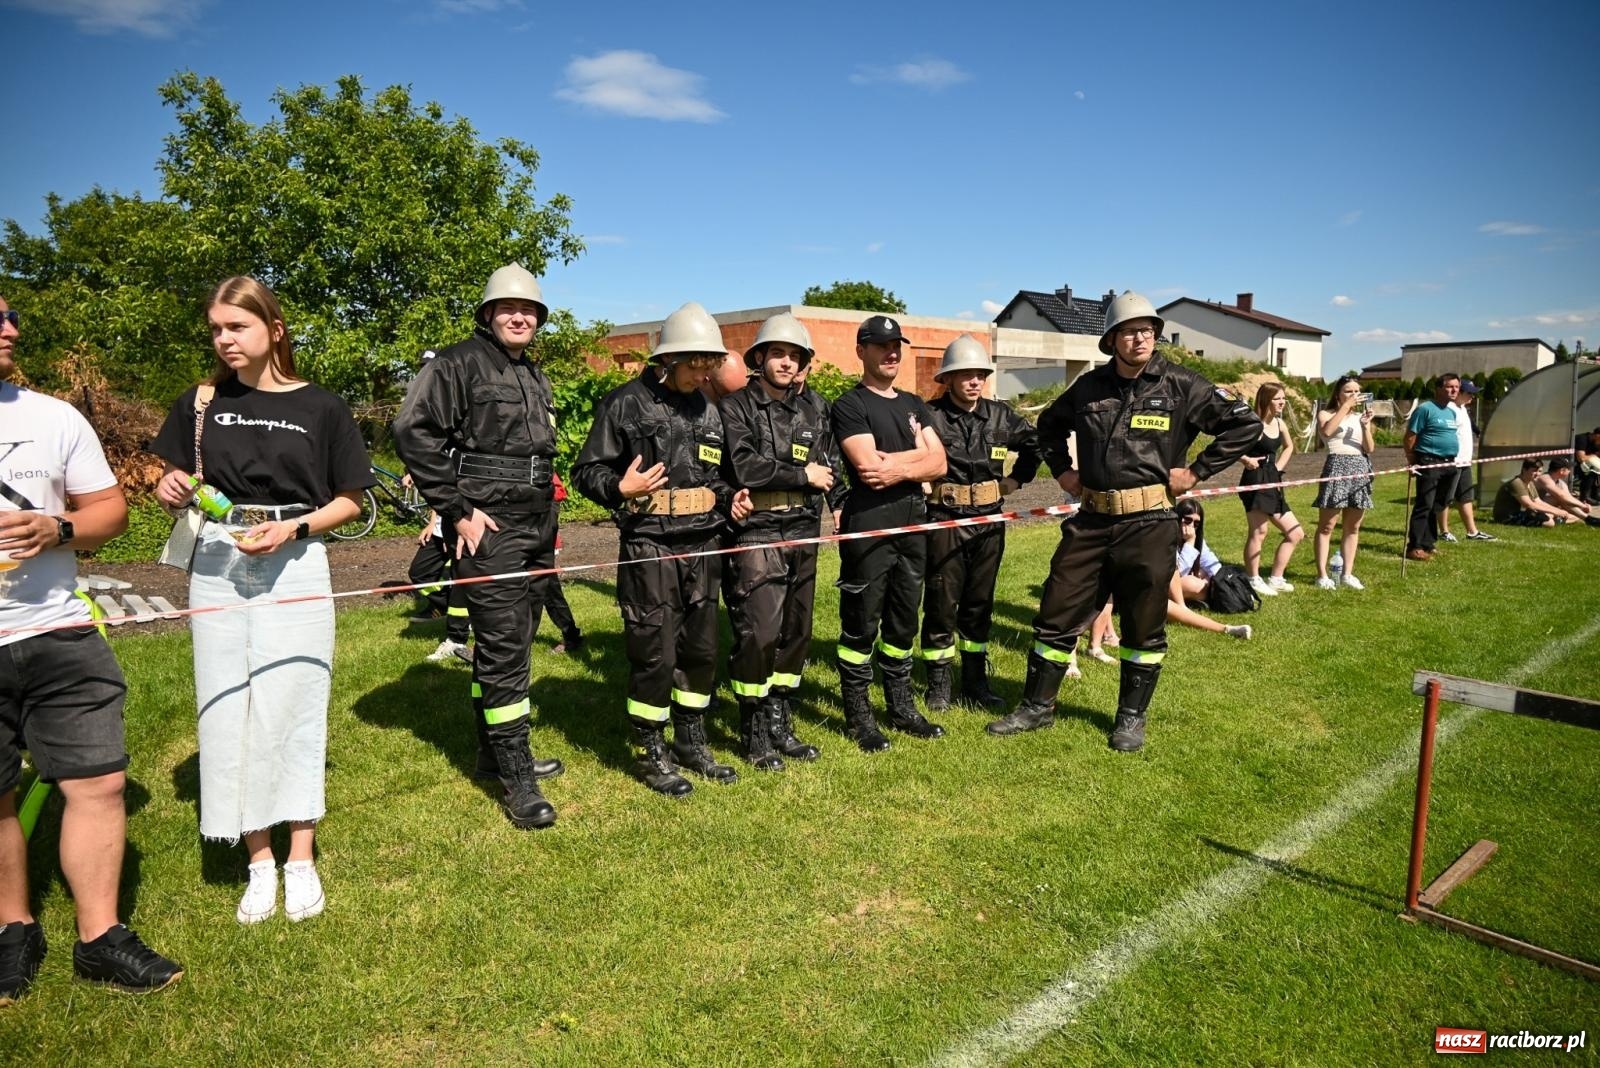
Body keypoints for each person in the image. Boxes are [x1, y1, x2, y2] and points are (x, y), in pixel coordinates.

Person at [151, 276, 373, 924]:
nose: (223, 340)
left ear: (274, 329)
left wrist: (294, 528)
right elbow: (171, 477)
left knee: (297, 700)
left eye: (236, 327)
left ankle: (300, 858)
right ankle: (258, 861)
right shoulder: (200, 402)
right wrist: (168, 486)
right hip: (218, 561)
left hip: (297, 561)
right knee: (228, 707)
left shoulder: (323, 407)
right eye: (216, 329)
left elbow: (352, 498)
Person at [0, 295, 183, 1000]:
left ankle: (99, 938)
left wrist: (60, 530)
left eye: (12, 315)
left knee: (99, 780)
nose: (12, 328)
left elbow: (110, 511)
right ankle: (12, 931)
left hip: (59, 629)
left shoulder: (53, 417)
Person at [986, 291, 1260, 751]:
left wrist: (1196, 471)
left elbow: (1243, 424)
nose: (1141, 339)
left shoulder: (1181, 385)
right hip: (1091, 520)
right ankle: (1037, 707)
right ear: (1112, 338)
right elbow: (1049, 427)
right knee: (1057, 609)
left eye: (1148, 331)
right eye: (1131, 331)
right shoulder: (1090, 388)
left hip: (1150, 521)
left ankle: (1130, 719)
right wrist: (1063, 471)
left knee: (1143, 620)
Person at [392, 264, 564, 830]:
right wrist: (456, 511)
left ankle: (494, 753)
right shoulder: (456, 363)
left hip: (537, 523)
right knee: (505, 644)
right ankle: (518, 778)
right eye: (509, 308)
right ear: (488, 314)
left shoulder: (532, 373)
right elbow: (412, 433)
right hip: (489, 528)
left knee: (514, 640)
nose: (521, 316)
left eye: (530, 310)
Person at [572, 302, 747, 796]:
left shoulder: (707, 407)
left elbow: (716, 474)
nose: (702, 372)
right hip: (650, 543)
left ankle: (692, 741)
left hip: (703, 543)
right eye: (694, 363)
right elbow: (587, 472)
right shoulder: (624, 403)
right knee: (655, 649)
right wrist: (619, 488)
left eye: (708, 363)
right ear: (667, 359)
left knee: (700, 647)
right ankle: (650, 747)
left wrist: (734, 497)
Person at [719, 313, 844, 770]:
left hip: (804, 530)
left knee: (796, 632)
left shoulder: (815, 408)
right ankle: (752, 729)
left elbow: (830, 465)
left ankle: (780, 721)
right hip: (758, 530)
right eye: (778, 354)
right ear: (760, 358)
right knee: (760, 633)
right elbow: (746, 466)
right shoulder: (735, 407)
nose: (787, 363)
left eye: (795, 356)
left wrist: (840, 506)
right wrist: (802, 475)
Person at [830, 315, 948, 752]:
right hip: (870, 528)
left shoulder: (915, 403)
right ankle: (859, 716)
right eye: (880, 345)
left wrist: (901, 464)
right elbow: (867, 469)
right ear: (862, 351)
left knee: (903, 621)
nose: (891, 352)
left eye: (896, 345)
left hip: (913, 526)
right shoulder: (850, 404)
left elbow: (941, 464)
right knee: (861, 624)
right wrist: (919, 458)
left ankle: (900, 706)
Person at [919, 335, 1041, 711]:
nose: (974, 382)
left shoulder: (1002, 415)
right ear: (949, 379)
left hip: (989, 522)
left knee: (979, 604)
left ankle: (975, 680)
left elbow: (1036, 444)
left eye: (980, 375)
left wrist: (1016, 480)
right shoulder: (930, 416)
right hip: (946, 520)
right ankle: (938, 683)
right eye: (965, 375)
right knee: (941, 601)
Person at [1238, 382, 1305, 596]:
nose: (1282, 402)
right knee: (1259, 531)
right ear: (1266, 400)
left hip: (1272, 478)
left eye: (1284, 398)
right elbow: (1229, 447)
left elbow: (1289, 447)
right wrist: (1246, 459)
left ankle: (1276, 578)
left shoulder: (1279, 423)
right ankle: (1253, 578)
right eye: (1278, 399)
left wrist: (1278, 468)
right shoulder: (1252, 424)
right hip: (1255, 479)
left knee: (1296, 533)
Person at [1310, 376, 1376, 590]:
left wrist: (1365, 426)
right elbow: (1326, 432)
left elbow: (1369, 448)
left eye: (1357, 391)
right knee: (1327, 526)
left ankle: (1347, 573)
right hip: (1337, 466)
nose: (1354, 395)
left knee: (1353, 526)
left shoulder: (1360, 416)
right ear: (1338, 393)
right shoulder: (1326, 413)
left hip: (1359, 467)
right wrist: (1345, 407)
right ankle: (1322, 575)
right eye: (1349, 391)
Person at [1403, 373, 1463, 561]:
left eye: (1456, 387)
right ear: (1438, 389)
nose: (1454, 390)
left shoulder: (1452, 412)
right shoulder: (1425, 409)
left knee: (1438, 505)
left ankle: (1429, 543)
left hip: (1449, 463)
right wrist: (1412, 461)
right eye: (1449, 387)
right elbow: (1410, 437)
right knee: (1424, 504)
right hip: (1429, 461)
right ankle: (1415, 546)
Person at [408, 506, 473, 661]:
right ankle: (452, 609)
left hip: (463, 527)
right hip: (440, 529)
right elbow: (438, 492)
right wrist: (432, 523)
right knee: (419, 573)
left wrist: (455, 530)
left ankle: (456, 640)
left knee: (461, 577)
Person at [1434, 380, 1496, 543]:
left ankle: (1472, 531)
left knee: (1466, 497)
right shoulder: (1449, 409)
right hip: (1453, 462)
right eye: (1470, 393)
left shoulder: (1462, 409)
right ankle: (1444, 531)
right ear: (1460, 393)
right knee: (1446, 498)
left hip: (1465, 462)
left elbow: (1469, 427)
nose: (1473, 397)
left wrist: (1479, 432)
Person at [1173, 498, 1221, 603]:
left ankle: (1202, 594)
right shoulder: (1169, 538)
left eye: (1196, 524)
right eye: (1188, 520)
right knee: (1190, 583)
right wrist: (1190, 541)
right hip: (1169, 585)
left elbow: (1214, 566)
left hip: (1187, 580)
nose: (1191, 526)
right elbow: (1178, 573)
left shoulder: (1198, 540)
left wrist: (1207, 579)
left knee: (1204, 572)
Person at [1493, 459, 1563, 526]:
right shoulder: (1517, 483)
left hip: (1519, 513)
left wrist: (1557, 510)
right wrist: (1556, 512)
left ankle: (1559, 519)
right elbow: (1529, 505)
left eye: (1540, 471)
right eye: (1534, 471)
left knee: (1550, 515)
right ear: (1524, 470)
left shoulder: (1530, 482)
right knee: (1549, 522)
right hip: (1507, 517)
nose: (1538, 474)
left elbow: (1538, 502)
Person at [1534, 457, 1594, 522]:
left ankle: (1559, 518)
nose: (1570, 471)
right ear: (1562, 470)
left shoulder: (1561, 483)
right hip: (1535, 507)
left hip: (1548, 508)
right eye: (1568, 469)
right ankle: (1588, 519)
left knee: (1575, 512)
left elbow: (1568, 498)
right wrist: (1582, 506)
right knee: (1559, 499)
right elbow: (1562, 496)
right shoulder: (1545, 478)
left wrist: (1583, 506)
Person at [1574, 427, 1600, 505]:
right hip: (1575, 464)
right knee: (1591, 472)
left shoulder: (1595, 442)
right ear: (1597, 435)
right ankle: (1585, 497)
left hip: (1587, 464)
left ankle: (1595, 495)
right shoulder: (1582, 439)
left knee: (1595, 469)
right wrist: (1594, 455)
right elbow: (1581, 458)